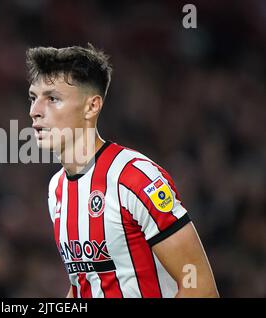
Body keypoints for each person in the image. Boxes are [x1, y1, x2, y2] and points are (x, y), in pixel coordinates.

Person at [26, 44, 219, 298]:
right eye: (33, 98)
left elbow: (201, 288)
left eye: (52, 99)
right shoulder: (57, 189)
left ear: (91, 106)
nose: (35, 111)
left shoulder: (136, 178)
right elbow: (85, 284)